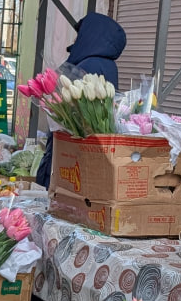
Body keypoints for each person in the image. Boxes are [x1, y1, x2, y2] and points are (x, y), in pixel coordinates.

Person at [34, 12, 126, 190]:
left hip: (72, 149)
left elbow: (72, 112)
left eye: (79, 36)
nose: (76, 41)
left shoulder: (89, 65)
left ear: (91, 36)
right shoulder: (106, 64)